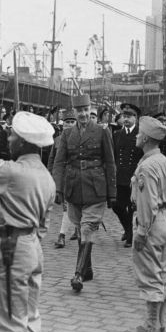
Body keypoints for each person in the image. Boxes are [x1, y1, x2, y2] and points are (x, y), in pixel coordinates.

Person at [0, 111, 56, 332]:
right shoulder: (48, 177)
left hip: (11, 248)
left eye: (12, 136)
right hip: (32, 246)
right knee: (30, 316)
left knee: (8, 321)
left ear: (24, 142)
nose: (8, 140)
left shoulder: (11, 171)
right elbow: (44, 224)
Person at [52, 93, 117, 292]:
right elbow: (59, 162)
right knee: (80, 229)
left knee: (88, 228)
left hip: (95, 187)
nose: (83, 114)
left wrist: (112, 192)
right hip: (74, 188)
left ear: (91, 110)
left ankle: (78, 274)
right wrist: (58, 188)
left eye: (86, 110)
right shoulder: (66, 135)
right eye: (79, 111)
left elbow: (110, 163)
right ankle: (87, 269)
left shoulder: (101, 132)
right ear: (74, 112)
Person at [124, 117, 166, 332]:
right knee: (163, 274)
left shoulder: (146, 167)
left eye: (139, 133)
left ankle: (150, 326)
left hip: (152, 223)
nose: (136, 136)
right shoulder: (165, 162)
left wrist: (142, 232)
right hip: (165, 220)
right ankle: (160, 323)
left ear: (146, 138)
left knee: (150, 275)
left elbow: (147, 203)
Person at [112, 102, 143, 247]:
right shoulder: (117, 134)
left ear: (136, 118)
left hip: (134, 177)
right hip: (119, 176)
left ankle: (130, 236)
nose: (126, 119)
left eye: (130, 116)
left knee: (131, 208)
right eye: (124, 116)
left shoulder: (140, 135)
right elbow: (114, 156)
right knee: (116, 206)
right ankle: (127, 229)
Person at [47, 109, 77, 249]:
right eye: (67, 122)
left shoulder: (81, 138)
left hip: (77, 177)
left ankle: (69, 231)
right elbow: (52, 161)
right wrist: (51, 178)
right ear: (62, 124)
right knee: (67, 206)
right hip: (63, 178)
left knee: (75, 206)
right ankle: (62, 235)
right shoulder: (57, 141)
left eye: (72, 122)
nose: (70, 125)